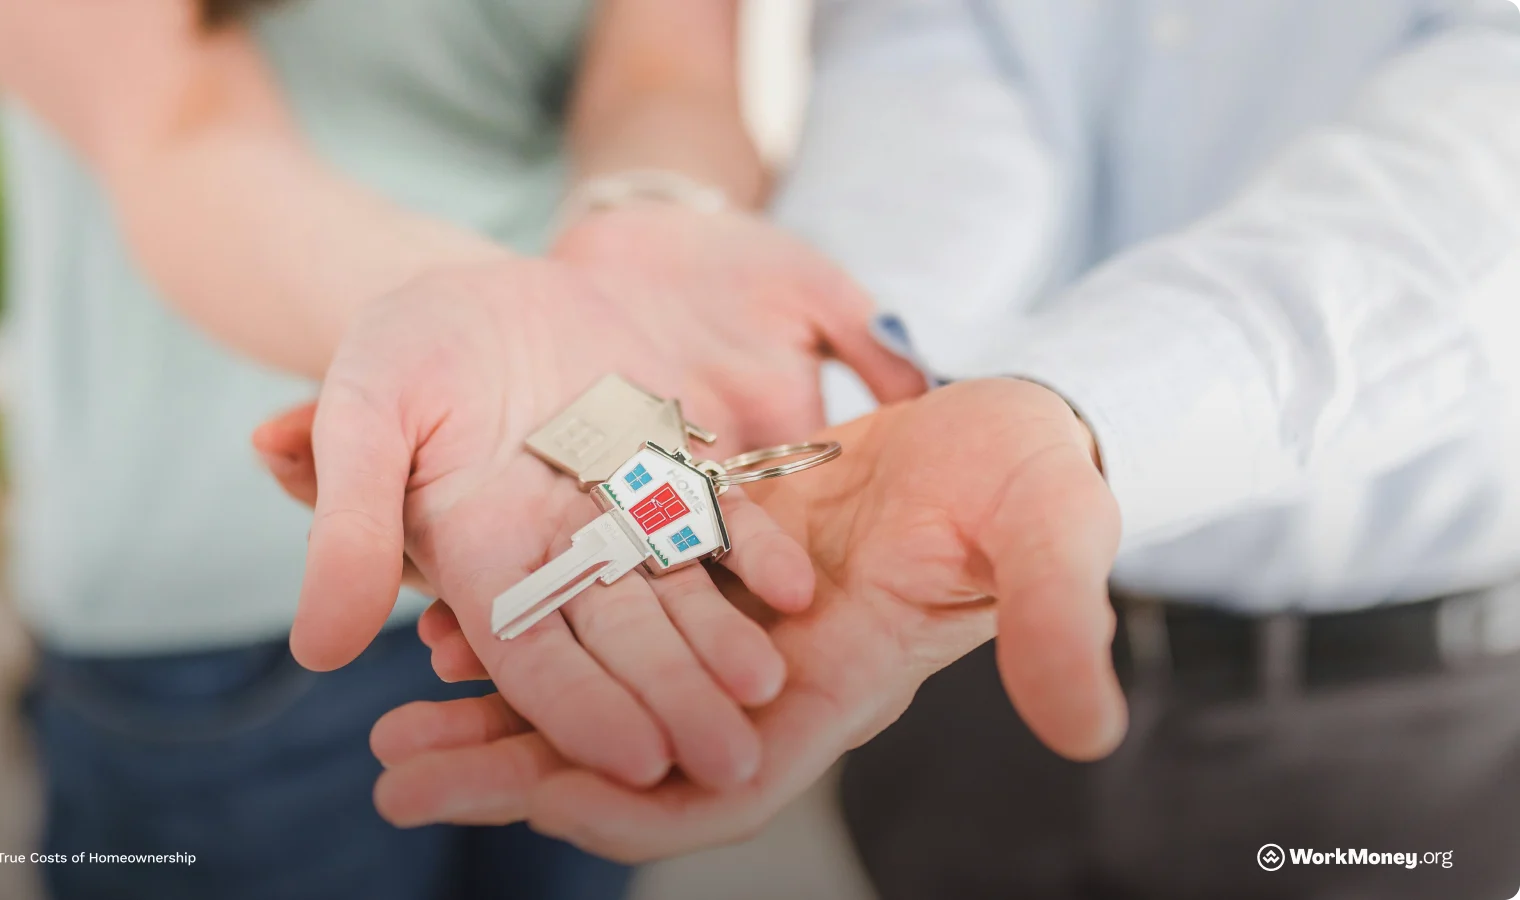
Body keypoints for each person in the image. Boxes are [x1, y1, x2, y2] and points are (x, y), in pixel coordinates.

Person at [270, 0, 1520, 897]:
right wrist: (826, 352)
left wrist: (1074, 410)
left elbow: (1483, 145)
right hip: (917, 642)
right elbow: (945, 46)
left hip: (1401, 711)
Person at [0, 0, 927, 896]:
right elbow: (176, 133)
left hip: (563, 524)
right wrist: (482, 320)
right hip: (219, 594)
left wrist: (652, 211)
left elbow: (666, 74)